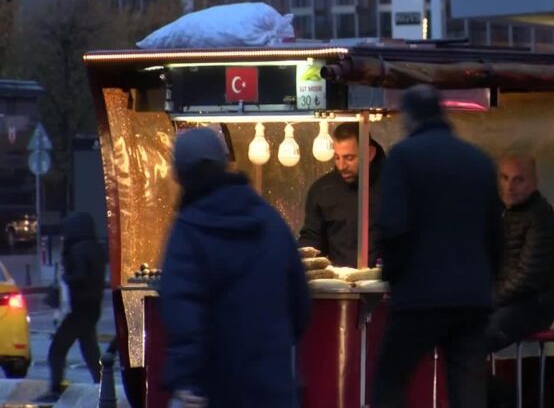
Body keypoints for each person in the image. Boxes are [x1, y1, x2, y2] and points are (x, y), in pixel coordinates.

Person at [159, 128, 311, 408]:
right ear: (225, 165)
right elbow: (300, 304)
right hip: (273, 388)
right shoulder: (270, 221)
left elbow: (183, 313)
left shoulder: (189, 230)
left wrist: (184, 378)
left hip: (217, 389)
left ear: (181, 176)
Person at [373, 84, 503, 408]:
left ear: (411, 118)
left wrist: (393, 275)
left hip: (420, 296)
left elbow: (393, 226)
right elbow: (496, 233)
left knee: (391, 377)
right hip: (472, 298)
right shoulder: (480, 161)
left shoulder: (403, 157)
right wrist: (487, 282)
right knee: (467, 384)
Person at [488, 155, 554, 352]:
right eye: (504, 178)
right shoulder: (502, 211)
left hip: (534, 306)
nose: (509, 186)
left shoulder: (541, 219)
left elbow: (527, 276)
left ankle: (484, 384)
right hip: (506, 301)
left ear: (534, 183)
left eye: (518, 180)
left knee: (475, 337)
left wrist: (488, 300)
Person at [36, 212, 106, 402]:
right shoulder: (96, 248)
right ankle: (102, 386)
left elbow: (79, 277)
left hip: (77, 309)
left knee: (57, 349)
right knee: (90, 349)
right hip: (92, 307)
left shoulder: (78, 250)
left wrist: (63, 283)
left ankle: (55, 389)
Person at [299, 122, 385, 267]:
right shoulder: (322, 190)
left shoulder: (392, 186)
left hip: (385, 284)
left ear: (370, 153)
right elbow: (312, 240)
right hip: (339, 285)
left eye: (349, 158)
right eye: (337, 157)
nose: (341, 166)